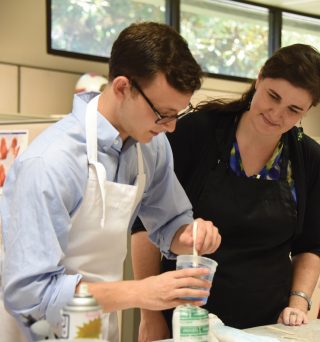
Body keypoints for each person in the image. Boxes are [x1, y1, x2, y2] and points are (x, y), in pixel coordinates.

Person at [0, 22, 221, 341]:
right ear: (121, 88)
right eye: (163, 114)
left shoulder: (151, 145)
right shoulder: (50, 163)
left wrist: (189, 236)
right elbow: (31, 294)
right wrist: (139, 292)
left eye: (177, 115)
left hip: (98, 324)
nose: (171, 127)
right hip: (38, 330)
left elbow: (170, 222)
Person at [131, 43, 320, 340]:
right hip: (186, 321)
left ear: (308, 110)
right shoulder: (196, 132)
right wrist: (149, 316)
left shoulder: (307, 157)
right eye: (272, 96)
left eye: (294, 110)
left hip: (268, 326)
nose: (276, 114)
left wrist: (298, 304)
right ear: (259, 78)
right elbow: (145, 227)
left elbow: (310, 246)